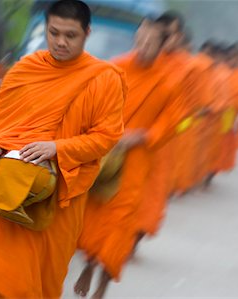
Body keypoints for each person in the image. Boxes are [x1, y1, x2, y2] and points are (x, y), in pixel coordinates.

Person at [0, 1, 126, 298]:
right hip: (10, 193)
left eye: (70, 35)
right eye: (54, 32)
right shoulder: (25, 70)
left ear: (87, 33)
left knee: (39, 284)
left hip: (58, 203)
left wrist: (56, 148)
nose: (61, 42)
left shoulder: (103, 79)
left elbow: (106, 138)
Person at [74, 18, 183, 299]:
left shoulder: (169, 81)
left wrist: (143, 136)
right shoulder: (117, 67)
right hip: (107, 152)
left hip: (137, 160)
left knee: (121, 222)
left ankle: (103, 284)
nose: (144, 47)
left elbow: (173, 120)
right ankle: (88, 262)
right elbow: (95, 103)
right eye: (141, 41)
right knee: (94, 216)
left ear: (162, 46)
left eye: (151, 43)